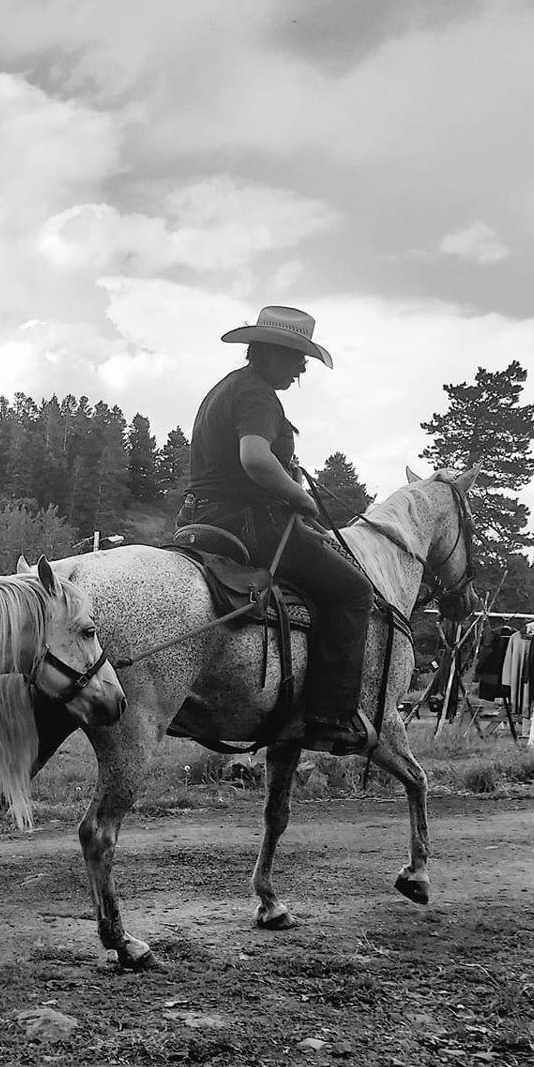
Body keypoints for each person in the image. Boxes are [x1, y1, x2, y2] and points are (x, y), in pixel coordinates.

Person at [176, 304, 376, 754]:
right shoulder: (259, 395)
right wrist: (298, 498)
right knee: (352, 592)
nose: (302, 366)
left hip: (197, 518)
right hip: (249, 524)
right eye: (296, 357)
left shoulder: (226, 388)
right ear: (269, 353)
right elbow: (255, 458)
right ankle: (329, 717)